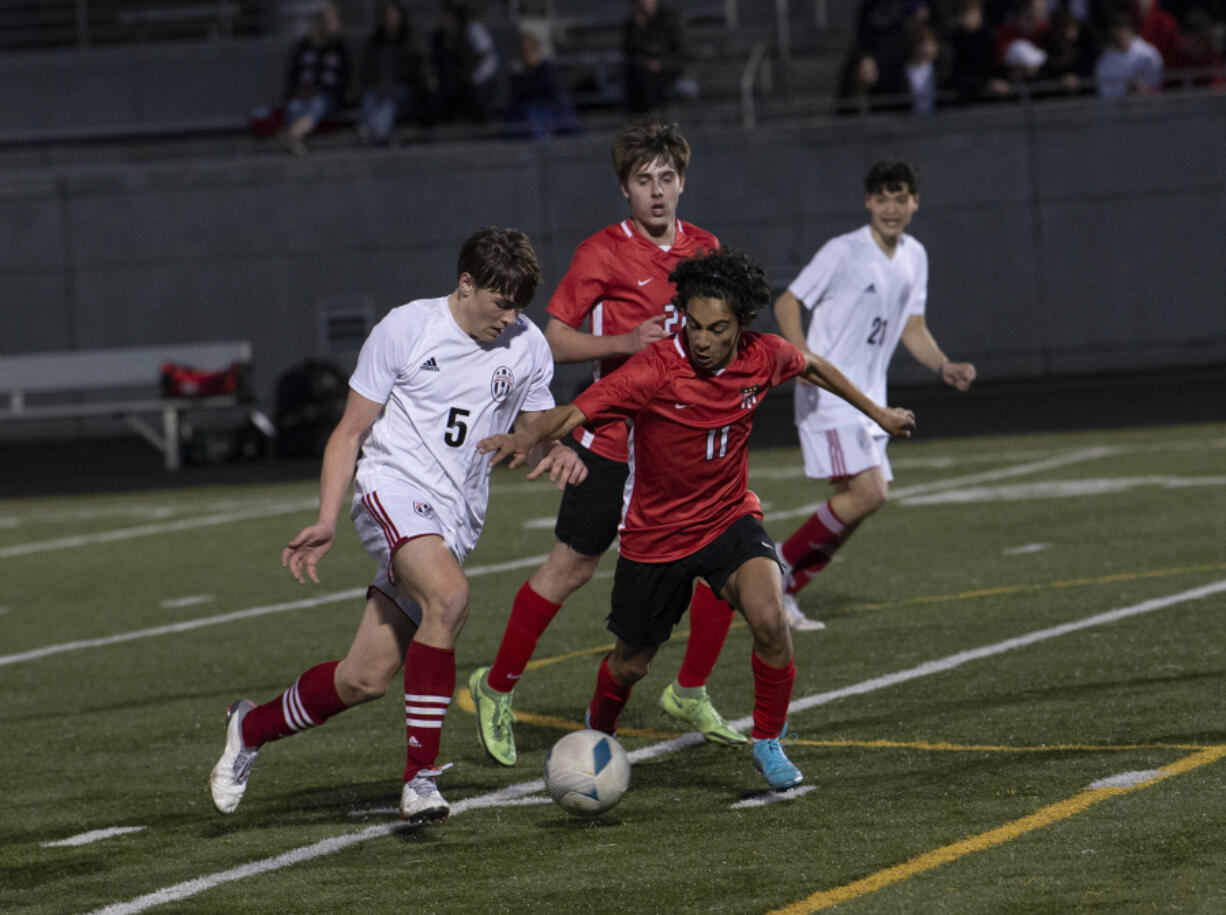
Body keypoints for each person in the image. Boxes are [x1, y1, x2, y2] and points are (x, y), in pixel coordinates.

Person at [478, 249, 916, 790]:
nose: (703, 339)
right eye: (694, 325)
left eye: (718, 328)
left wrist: (881, 413)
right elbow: (579, 409)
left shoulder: (765, 356)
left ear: (741, 326)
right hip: (654, 539)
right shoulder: (654, 368)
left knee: (769, 615)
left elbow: (815, 364)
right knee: (630, 665)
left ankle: (769, 740)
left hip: (728, 520)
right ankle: (599, 730)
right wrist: (530, 434)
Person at [208, 227, 585, 824]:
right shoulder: (407, 328)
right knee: (450, 596)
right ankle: (421, 779)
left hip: (455, 519)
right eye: (501, 302)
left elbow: (533, 431)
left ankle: (248, 728)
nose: (510, 317)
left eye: (519, 305)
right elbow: (350, 432)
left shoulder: (528, 345)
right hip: (393, 490)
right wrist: (327, 518)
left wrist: (554, 449)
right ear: (466, 282)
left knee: (364, 678)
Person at [467, 120, 745, 770]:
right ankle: (496, 684)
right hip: (611, 439)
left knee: (721, 557)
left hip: (682, 444)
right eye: (643, 180)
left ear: (682, 181)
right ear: (624, 187)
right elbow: (553, 339)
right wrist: (624, 343)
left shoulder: (706, 248)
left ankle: (691, 689)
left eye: (667, 178)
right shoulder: (602, 253)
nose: (657, 191)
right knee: (572, 568)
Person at [772, 161, 976, 630]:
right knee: (868, 494)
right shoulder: (843, 251)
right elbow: (787, 301)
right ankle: (778, 568)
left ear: (914, 202)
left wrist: (943, 364)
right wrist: (801, 358)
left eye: (900, 198)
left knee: (860, 504)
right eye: (882, 198)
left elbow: (913, 327)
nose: (891, 208)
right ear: (868, 202)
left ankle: (785, 593)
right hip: (830, 394)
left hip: (871, 402)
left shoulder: (915, 256)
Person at [356, 1, 432, 145]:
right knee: (371, 97)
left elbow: (414, 73)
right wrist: (378, 83)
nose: (390, 21)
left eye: (393, 17)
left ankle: (379, 131)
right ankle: (366, 128)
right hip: (378, 88)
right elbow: (366, 71)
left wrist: (393, 83)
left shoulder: (410, 43)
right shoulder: (374, 44)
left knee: (389, 101)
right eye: (387, 17)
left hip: (403, 92)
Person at [280, 2, 350, 156]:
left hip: (327, 96)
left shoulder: (340, 48)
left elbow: (342, 79)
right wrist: (299, 90)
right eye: (325, 21)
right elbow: (293, 75)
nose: (328, 26)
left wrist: (321, 90)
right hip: (302, 94)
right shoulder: (304, 46)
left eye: (331, 21)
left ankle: (291, 135)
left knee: (317, 105)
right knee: (294, 106)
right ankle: (295, 140)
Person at [431, 1, 499, 122]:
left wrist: (473, 78)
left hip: (473, 80)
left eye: (448, 16)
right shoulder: (439, 36)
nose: (444, 20)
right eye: (442, 16)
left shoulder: (472, 30)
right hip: (451, 82)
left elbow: (488, 58)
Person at [623, 0, 688, 112]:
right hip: (642, 71)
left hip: (670, 70)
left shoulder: (670, 19)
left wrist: (662, 64)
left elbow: (683, 53)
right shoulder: (634, 22)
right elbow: (629, 51)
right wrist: (637, 27)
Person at [1095, 11, 1164, 98]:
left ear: (1131, 29)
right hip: (1118, 108)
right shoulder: (1106, 60)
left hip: (1147, 106)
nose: (1121, 33)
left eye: (1124, 28)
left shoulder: (1148, 53)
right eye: (1117, 29)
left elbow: (1157, 83)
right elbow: (1104, 91)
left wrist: (1143, 89)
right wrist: (1124, 90)